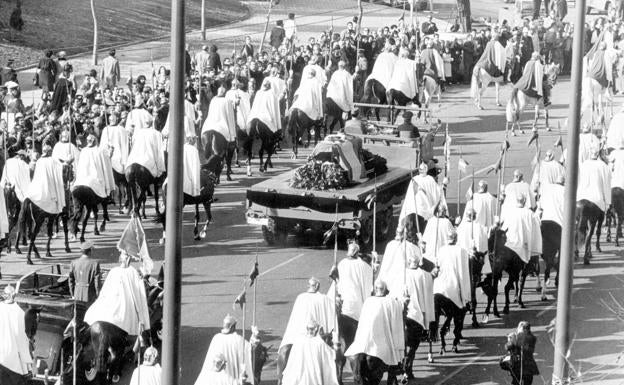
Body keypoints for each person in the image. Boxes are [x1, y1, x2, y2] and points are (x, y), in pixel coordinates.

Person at [345, 280, 405, 385]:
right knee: (393, 356)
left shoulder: (368, 301)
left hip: (363, 341)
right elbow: (399, 310)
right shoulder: (391, 302)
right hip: (379, 341)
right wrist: (404, 300)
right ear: (386, 291)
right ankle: (395, 369)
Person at [84, 251, 151, 336]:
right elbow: (137, 289)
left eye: (128, 256)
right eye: (126, 256)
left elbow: (106, 289)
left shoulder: (124, 271)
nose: (128, 258)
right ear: (124, 258)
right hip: (120, 300)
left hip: (120, 299)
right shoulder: (125, 271)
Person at [328, 240, 373, 349]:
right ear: (358, 253)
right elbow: (369, 282)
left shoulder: (342, 263)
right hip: (356, 303)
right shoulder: (364, 266)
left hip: (343, 302)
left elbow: (335, 279)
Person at [432, 228, 471, 351]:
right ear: (456, 239)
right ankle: (455, 340)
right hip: (452, 287)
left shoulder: (441, 250)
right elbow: (464, 273)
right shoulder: (462, 251)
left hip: (439, 286)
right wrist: (466, 294)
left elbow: (437, 264)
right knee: (461, 309)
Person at [194, 315, 254, 385]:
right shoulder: (238, 340)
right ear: (232, 327)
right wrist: (254, 337)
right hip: (232, 376)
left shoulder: (216, 338)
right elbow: (249, 349)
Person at [577, 147, 611, 263]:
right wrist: (608, 203)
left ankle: (576, 250)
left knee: (578, 226)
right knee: (591, 228)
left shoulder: (583, 164)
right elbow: (607, 186)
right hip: (596, 199)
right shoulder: (604, 166)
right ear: (598, 155)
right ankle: (586, 253)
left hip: (580, 198)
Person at [281, 320, 339, 385]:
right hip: (314, 373)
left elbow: (292, 358)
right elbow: (328, 354)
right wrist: (335, 350)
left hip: (300, 373)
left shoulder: (299, 340)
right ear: (316, 330)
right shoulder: (319, 342)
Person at [398, 162, 447, 235]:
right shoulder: (429, 179)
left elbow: (408, 197)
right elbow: (438, 193)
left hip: (413, 210)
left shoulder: (414, 179)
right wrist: (444, 185)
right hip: (425, 214)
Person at [0, 285, 33, 385]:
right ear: (14, 296)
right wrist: (26, 364)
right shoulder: (19, 313)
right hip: (13, 356)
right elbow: (21, 338)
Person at [126, 99, 166, 179]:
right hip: (149, 136)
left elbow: (128, 129)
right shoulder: (146, 112)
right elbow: (151, 120)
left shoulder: (131, 113)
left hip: (137, 136)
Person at [500, 195, 542, 264]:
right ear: (524, 201)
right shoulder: (529, 213)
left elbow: (504, 227)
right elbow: (537, 223)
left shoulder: (510, 212)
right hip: (524, 241)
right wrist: (539, 211)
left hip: (512, 242)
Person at [72, 134, 115, 200]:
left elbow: (107, 158)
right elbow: (107, 162)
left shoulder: (96, 151)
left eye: (90, 140)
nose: (89, 141)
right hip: (90, 178)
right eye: (88, 140)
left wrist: (111, 151)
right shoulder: (88, 151)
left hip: (90, 178)